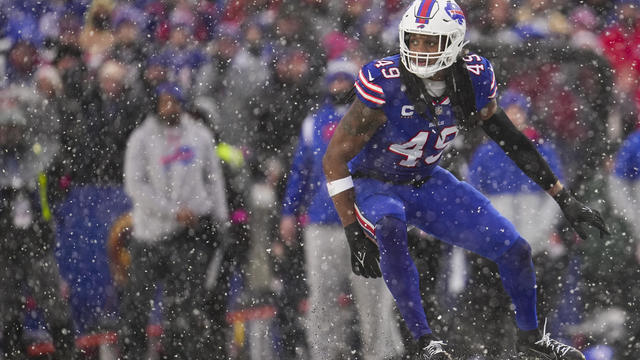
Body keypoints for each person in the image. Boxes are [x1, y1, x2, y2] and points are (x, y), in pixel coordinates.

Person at [321, 1, 609, 359]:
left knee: (515, 249)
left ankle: (530, 337)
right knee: (390, 223)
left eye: (431, 42)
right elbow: (333, 159)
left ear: (455, 42)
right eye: (415, 39)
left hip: (428, 181)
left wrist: (564, 198)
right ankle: (425, 341)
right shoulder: (385, 82)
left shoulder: (472, 78)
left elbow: (512, 140)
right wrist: (352, 232)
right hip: (375, 184)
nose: (420, 49)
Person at [280, 59, 404, 360]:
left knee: (373, 296)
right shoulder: (313, 123)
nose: (338, 86)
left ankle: (380, 353)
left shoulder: (376, 119)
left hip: (364, 220)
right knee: (323, 295)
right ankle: (326, 352)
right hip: (323, 222)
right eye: (333, 81)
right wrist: (288, 213)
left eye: (344, 80)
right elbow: (301, 171)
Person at [119, 83, 229, 359]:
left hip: (188, 235)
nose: (170, 107)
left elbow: (214, 181)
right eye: (164, 102)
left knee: (182, 310)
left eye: (175, 102)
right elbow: (135, 186)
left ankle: (177, 355)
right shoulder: (141, 139)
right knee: (136, 310)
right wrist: (171, 210)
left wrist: (220, 220)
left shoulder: (200, 136)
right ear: (156, 105)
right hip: (148, 235)